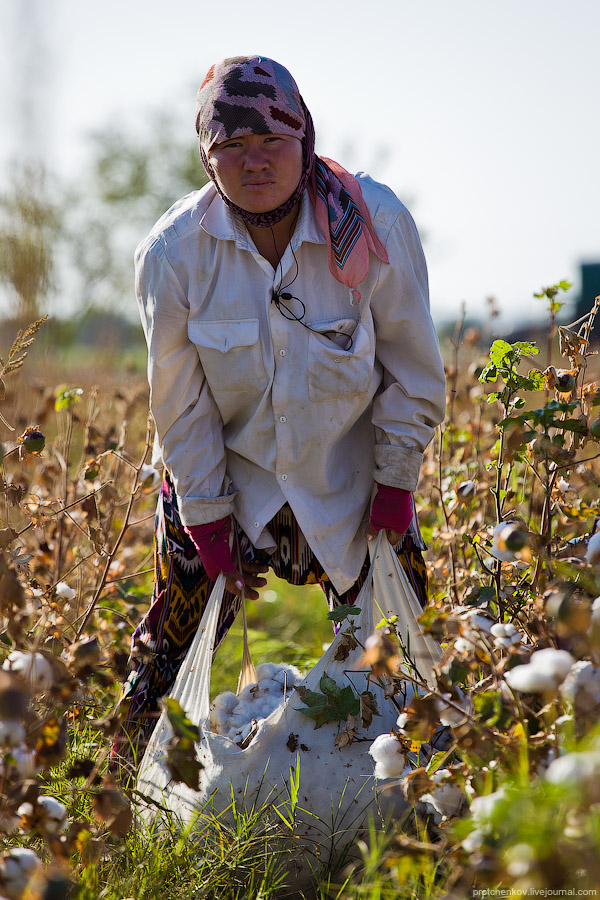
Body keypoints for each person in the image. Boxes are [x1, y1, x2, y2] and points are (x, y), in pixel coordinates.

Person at [114, 56, 446, 762]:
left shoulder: (373, 223)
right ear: (208, 159)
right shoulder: (174, 254)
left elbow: (413, 368)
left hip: (351, 476)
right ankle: (131, 802)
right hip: (228, 476)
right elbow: (181, 406)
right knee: (170, 652)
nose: (253, 162)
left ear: (304, 138)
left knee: (406, 660)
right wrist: (207, 526)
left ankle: (423, 801)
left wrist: (394, 484)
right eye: (230, 147)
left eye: (272, 141)